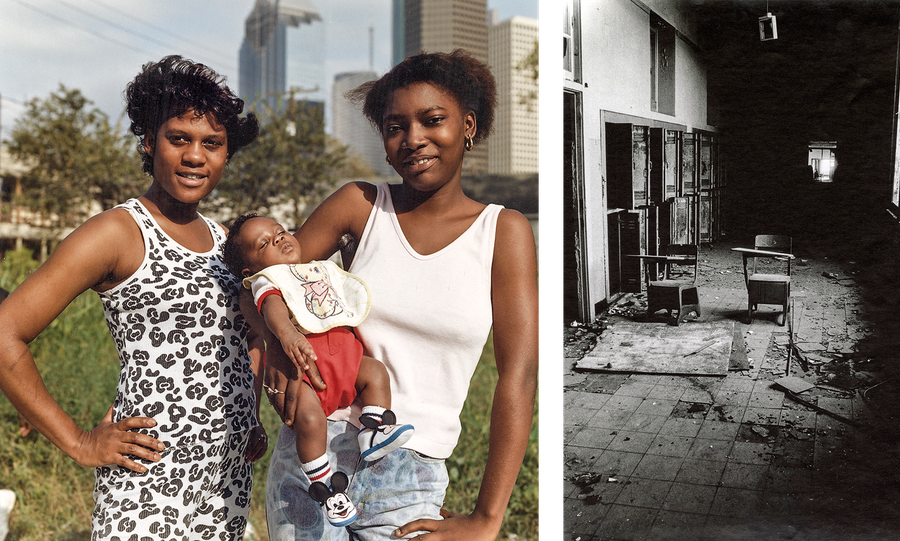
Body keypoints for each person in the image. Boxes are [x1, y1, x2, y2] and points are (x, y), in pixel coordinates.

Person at [258, 49, 538, 540]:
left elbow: (519, 375)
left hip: (412, 475)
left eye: (433, 120)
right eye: (395, 127)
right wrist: (272, 344)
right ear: (384, 144)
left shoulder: (503, 231)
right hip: (313, 452)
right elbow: (262, 280)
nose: (414, 140)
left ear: (468, 126)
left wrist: (488, 518)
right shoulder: (360, 206)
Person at [0, 55, 266, 540]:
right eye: (179, 138)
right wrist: (80, 442)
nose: (195, 156)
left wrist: (251, 413)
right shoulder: (118, 232)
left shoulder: (225, 240)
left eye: (212, 144)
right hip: (148, 482)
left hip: (224, 484)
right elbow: (5, 332)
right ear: (148, 141)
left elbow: (247, 337)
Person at [221, 213, 415, 526]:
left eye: (280, 231)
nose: (279, 239)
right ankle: (324, 486)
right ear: (251, 269)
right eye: (265, 243)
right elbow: (273, 311)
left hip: (349, 364)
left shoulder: (316, 271)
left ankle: (375, 430)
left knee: (376, 373)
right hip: (310, 375)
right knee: (309, 419)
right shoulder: (268, 282)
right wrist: (287, 334)